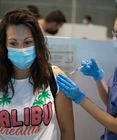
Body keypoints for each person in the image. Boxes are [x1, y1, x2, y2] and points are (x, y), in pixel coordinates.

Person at [57, 3, 117, 140]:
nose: (115, 39)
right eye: (114, 33)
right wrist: (98, 78)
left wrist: (80, 97)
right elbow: (111, 103)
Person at [0, 9, 75, 140]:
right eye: (13, 43)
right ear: (4, 45)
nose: (21, 49)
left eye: (27, 42)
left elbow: (67, 131)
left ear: (37, 43)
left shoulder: (54, 76)